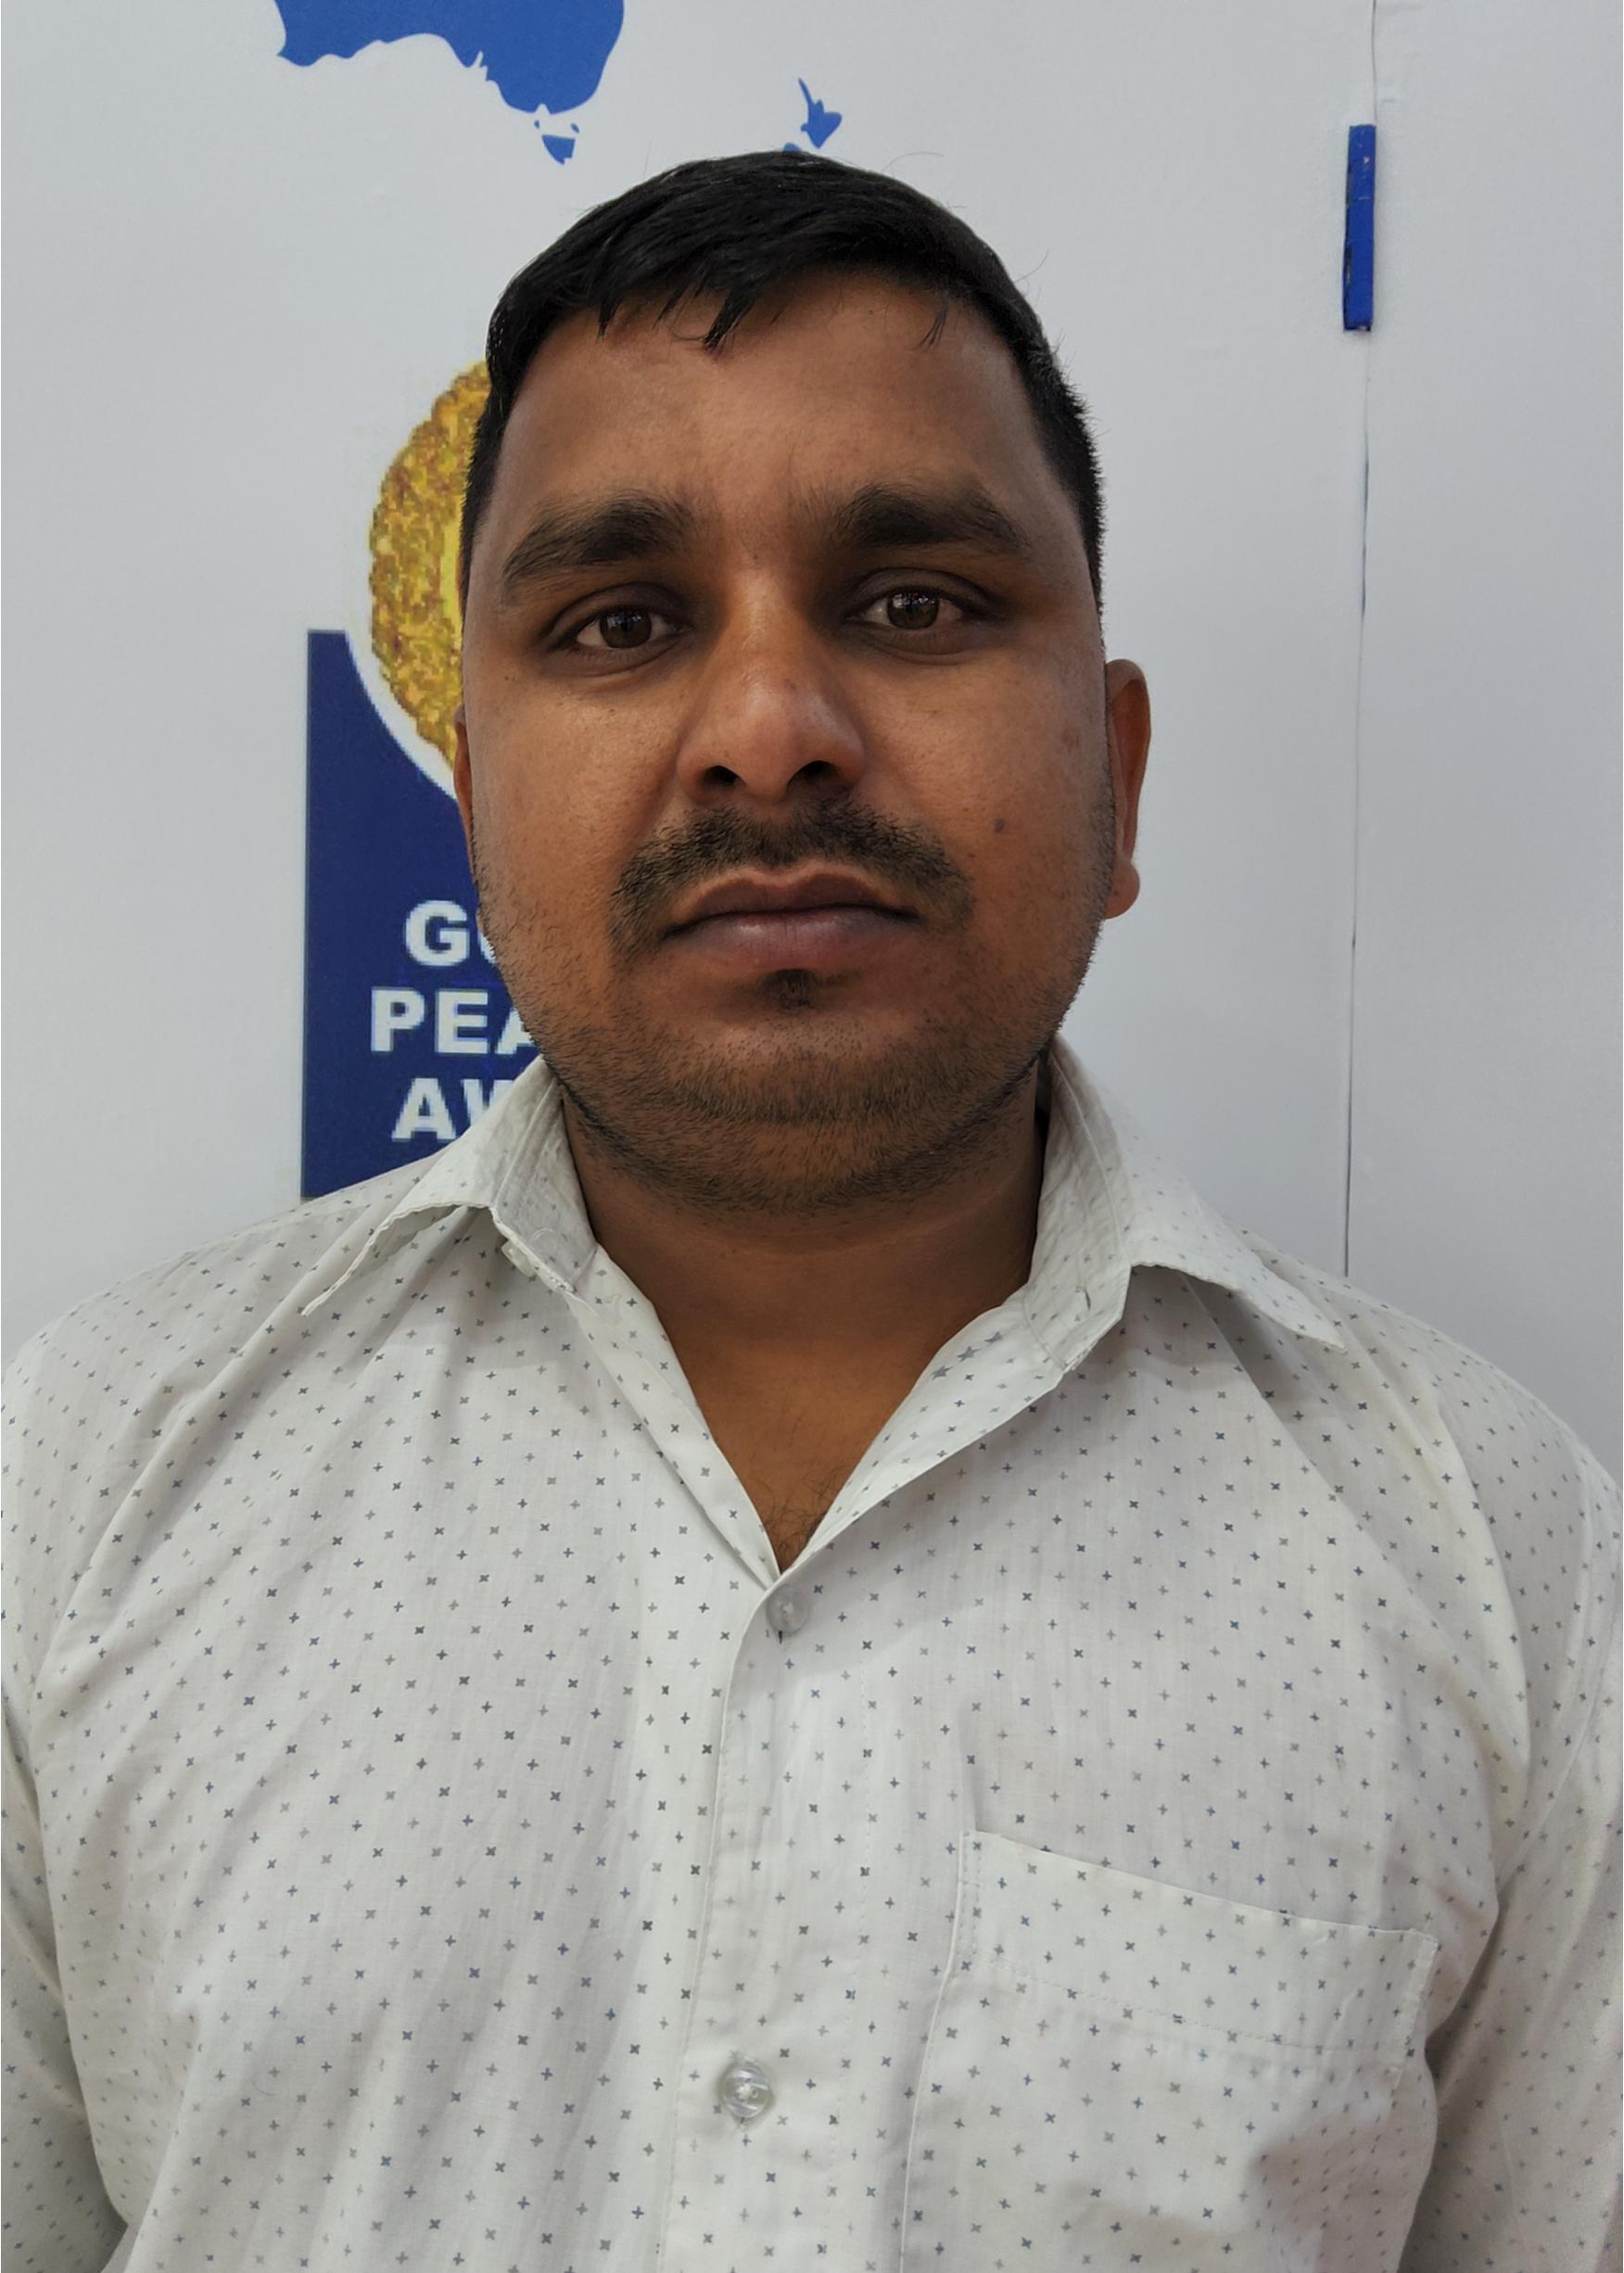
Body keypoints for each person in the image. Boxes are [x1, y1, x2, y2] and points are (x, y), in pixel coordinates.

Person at [3, 151, 1617, 2273]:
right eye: (622, 621)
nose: (769, 733)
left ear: (1118, 774)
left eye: (914, 601)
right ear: (475, 803)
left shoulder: (1493, 1556)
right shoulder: (85, 1482)